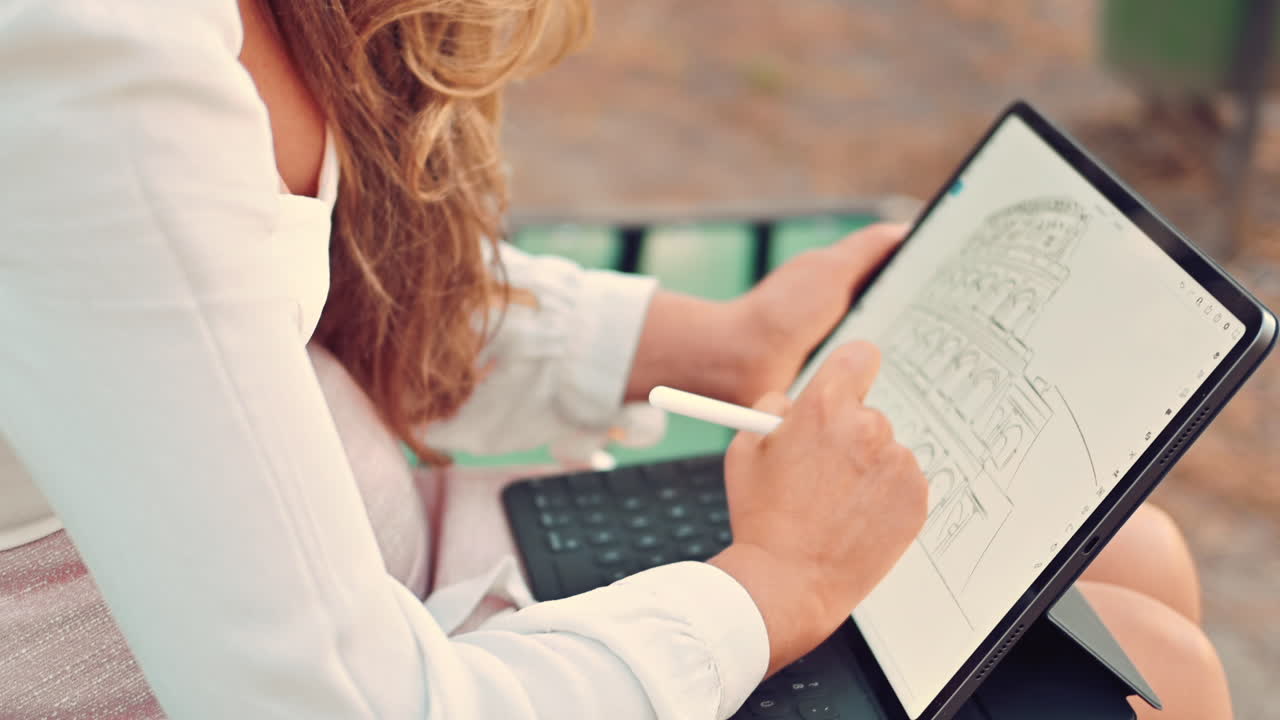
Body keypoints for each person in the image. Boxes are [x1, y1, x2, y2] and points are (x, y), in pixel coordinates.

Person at [0, 1, 1230, 718]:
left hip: (430, 563)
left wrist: (714, 343)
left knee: (1131, 551)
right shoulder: (89, 61)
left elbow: (241, 305)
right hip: (400, 666)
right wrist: (773, 586)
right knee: (1152, 671)